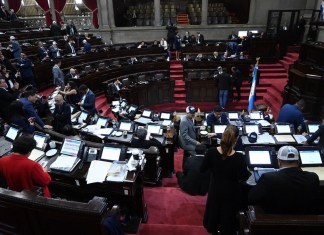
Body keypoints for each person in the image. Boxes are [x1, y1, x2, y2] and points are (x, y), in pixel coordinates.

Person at [201, 125, 251, 235]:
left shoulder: (211, 152)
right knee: (228, 219)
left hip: (215, 189)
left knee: (215, 213)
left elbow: (202, 169)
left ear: (222, 135)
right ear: (236, 139)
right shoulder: (239, 158)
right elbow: (244, 177)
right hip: (232, 192)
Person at [248, 145, 320, 214]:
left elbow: (252, 198)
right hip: (306, 222)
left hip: (274, 221)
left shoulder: (268, 178)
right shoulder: (313, 177)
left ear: (279, 161)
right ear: (298, 161)